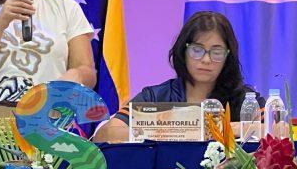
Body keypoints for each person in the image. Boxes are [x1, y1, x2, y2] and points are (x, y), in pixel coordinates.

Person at [93, 11, 262, 142]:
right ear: (183, 51)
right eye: (197, 50)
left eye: (216, 52)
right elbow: (105, 134)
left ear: (228, 57)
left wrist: (226, 129)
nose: (206, 59)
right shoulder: (155, 97)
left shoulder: (246, 99)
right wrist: (177, 130)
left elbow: (274, 130)